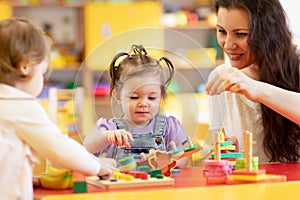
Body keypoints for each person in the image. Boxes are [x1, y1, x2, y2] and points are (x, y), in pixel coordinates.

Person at [0, 17, 116, 199]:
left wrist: (24, 177)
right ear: (25, 66)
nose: (43, 79)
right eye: (43, 71)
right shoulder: (20, 105)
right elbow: (60, 149)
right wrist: (98, 166)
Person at [203, 0, 300, 163]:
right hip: (248, 186)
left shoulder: (296, 65)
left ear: (268, 33)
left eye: (240, 34)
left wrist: (256, 89)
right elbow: (215, 144)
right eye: (222, 32)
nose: (228, 45)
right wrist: (223, 151)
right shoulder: (221, 77)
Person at [83, 45, 189, 168]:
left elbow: (184, 159)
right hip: (125, 186)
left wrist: (167, 161)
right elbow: (87, 147)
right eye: (134, 97)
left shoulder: (169, 127)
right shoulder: (111, 128)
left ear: (161, 97)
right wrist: (107, 136)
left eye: (151, 98)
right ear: (118, 96)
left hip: (160, 187)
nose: (143, 104)